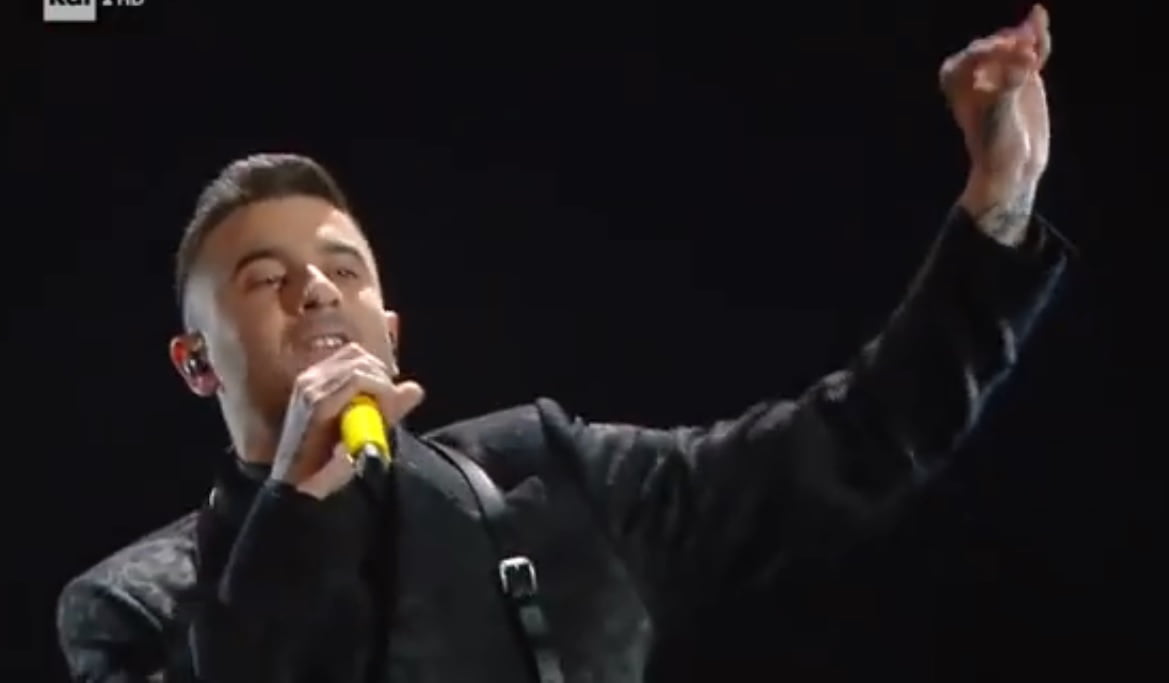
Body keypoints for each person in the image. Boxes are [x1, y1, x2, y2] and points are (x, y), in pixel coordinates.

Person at [56, 6, 1071, 682]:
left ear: (391, 333)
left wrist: (999, 202)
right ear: (196, 361)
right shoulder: (135, 606)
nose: (316, 288)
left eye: (344, 269)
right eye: (265, 279)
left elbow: (851, 444)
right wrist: (295, 518)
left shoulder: (549, 479)